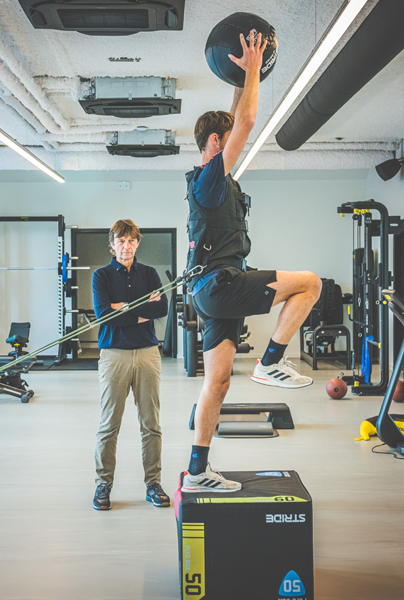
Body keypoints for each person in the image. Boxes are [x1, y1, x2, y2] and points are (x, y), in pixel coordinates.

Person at [181, 31, 323, 493]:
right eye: (229, 141)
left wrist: (243, 78)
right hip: (221, 284)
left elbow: (236, 118)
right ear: (216, 142)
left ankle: (199, 471)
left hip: (212, 295)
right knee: (310, 283)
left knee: (216, 385)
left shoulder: (219, 184)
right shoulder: (208, 179)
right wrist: (253, 71)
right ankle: (271, 362)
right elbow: (246, 121)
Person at [91, 219, 170, 510]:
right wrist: (139, 309)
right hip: (114, 355)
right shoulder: (101, 277)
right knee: (109, 425)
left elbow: (161, 308)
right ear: (112, 245)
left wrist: (121, 307)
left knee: (151, 424)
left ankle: (153, 484)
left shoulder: (149, 274)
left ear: (137, 243)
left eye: (131, 241)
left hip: (148, 354)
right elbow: (103, 316)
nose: (126, 246)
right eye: (121, 241)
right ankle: (103, 486)